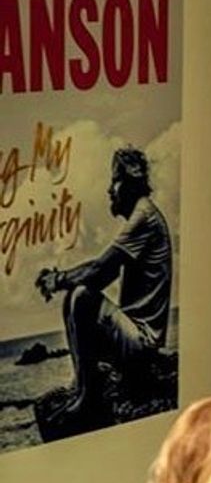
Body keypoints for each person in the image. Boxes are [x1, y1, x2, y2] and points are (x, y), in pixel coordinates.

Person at [35, 145, 172, 430]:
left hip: (141, 344)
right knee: (76, 295)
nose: (110, 190)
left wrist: (57, 280)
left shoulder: (143, 216)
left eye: (115, 180)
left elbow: (98, 271)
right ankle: (82, 385)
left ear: (132, 181)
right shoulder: (143, 215)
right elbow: (100, 273)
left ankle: (89, 398)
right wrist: (62, 278)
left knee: (81, 296)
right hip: (134, 339)